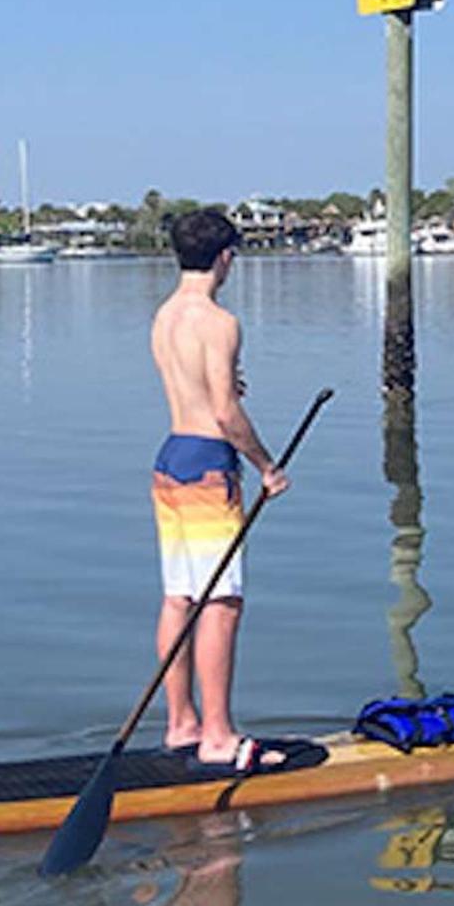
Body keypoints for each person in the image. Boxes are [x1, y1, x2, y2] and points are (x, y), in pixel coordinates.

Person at [150, 209, 288, 771]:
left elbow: (199, 388)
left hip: (170, 458)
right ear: (225, 256)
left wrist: (226, 387)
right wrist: (266, 467)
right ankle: (217, 735)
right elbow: (227, 414)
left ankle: (180, 722)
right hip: (210, 463)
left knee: (179, 597)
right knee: (222, 603)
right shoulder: (219, 321)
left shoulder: (163, 316)